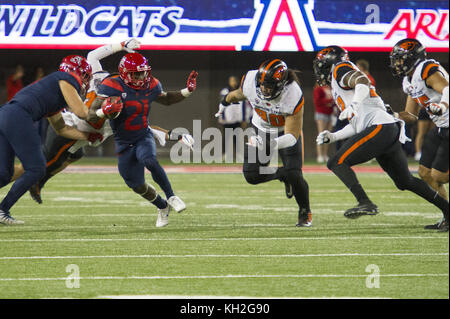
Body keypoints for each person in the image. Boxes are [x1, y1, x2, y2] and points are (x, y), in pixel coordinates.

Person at [314, 45, 448, 232]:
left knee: (337, 162)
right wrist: (333, 136)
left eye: (321, 65)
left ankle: (365, 202)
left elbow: (361, 80)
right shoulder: (340, 86)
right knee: (405, 182)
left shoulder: (340, 69)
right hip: (385, 128)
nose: (319, 70)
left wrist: (353, 104)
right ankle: (448, 212)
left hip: (381, 128)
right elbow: (358, 123)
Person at [12, 39, 141, 204]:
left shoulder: (116, 89)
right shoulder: (105, 83)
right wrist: (121, 45)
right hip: (71, 126)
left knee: (74, 155)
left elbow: (92, 56)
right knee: (35, 166)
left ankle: (39, 182)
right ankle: (12, 192)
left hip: (79, 128)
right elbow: (88, 115)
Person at [87, 52, 198, 228]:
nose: (141, 77)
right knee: (137, 185)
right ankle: (162, 206)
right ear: (124, 72)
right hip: (122, 142)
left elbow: (167, 99)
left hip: (142, 135)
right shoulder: (110, 85)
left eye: (143, 72)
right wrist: (104, 111)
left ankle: (171, 196)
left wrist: (187, 91)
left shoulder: (151, 84)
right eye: (136, 73)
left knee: (149, 160)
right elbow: (90, 115)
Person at [0, 55, 104, 225]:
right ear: (79, 73)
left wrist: (87, 137)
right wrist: (105, 111)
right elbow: (82, 112)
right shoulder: (67, 78)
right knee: (36, 169)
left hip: (5, 114)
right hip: (18, 116)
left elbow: (61, 129)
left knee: (4, 173)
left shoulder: (53, 89)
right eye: (86, 76)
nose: (86, 81)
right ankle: (3, 209)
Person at [215, 59, 312, 227]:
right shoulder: (252, 81)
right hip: (261, 129)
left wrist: (269, 145)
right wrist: (225, 102)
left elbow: (292, 137)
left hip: (284, 133)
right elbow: (238, 94)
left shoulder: (292, 94)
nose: (264, 90)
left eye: (269, 86)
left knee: (295, 173)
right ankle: (282, 175)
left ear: (281, 84)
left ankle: (304, 211)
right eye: (262, 85)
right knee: (251, 175)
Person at [388, 38, 449, 230]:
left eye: (400, 59)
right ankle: (448, 214)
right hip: (441, 126)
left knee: (439, 175)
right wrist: (392, 114)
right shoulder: (409, 80)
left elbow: (447, 89)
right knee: (424, 172)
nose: (397, 63)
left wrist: (443, 105)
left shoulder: (426, 68)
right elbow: (411, 115)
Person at [218, 75, 252, 162]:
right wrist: (221, 117)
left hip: (238, 119)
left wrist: (245, 119)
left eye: (234, 81)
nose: (233, 83)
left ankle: (239, 155)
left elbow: (246, 106)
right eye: (231, 81)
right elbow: (222, 105)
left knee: (238, 138)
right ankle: (225, 155)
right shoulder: (224, 91)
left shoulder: (241, 91)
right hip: (227, 119)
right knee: (226, 138)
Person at [313, 83, 335, 163]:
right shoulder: (318, 88)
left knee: (327, 135)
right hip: (321, 113)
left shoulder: (329, 87)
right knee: (321, 134)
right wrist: (330, 100)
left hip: (330, 113)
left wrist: (333, 102)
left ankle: (325, 155)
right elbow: (317, 101)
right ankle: (320, 155)